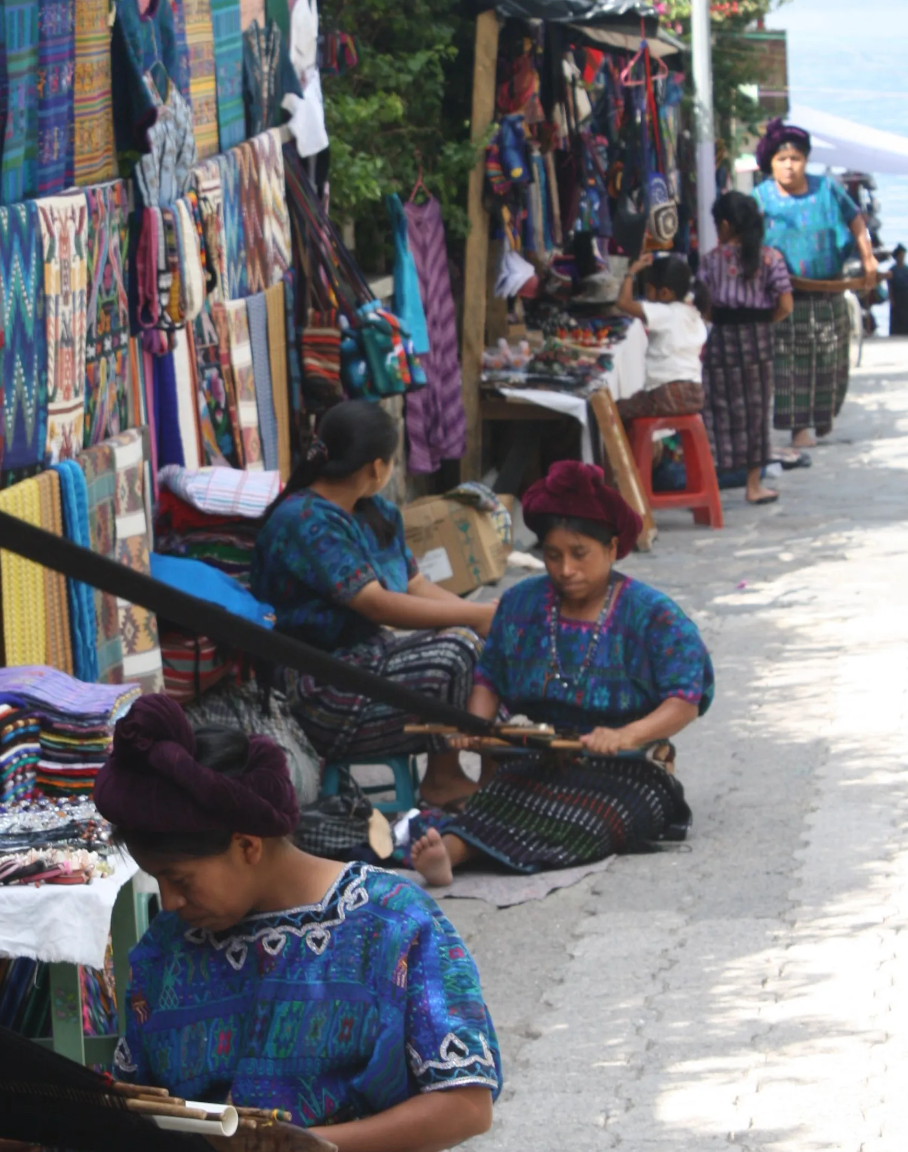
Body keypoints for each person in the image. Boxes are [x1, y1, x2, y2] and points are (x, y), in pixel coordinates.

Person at [26, 696, 504, 1152]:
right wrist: (54, 1125)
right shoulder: (166, 950)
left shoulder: (392, 923)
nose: (172, 903)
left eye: (180, 879)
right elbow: (139, 1100)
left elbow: (466, 1104)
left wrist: (318, 1147)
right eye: (159, 885)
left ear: (248, 844)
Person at [410, 461, 713, 888]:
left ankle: (471, 851)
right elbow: (490, 675)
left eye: (579, 554)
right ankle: (453, 855)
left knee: (592, 816)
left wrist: (627, 736)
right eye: (553, 556)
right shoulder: (520, 603)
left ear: (611, 548)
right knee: (498, 800)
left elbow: (685, 699)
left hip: (628, 766)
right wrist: (478, 728)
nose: (565, 569)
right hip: (540, 756)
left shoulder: (654, 614)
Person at [250, 401, 495, 807]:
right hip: (320, 688)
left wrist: (484, 621)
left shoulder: (376, 511)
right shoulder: (303, 521)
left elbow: (415, 585)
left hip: (371, 661)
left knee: (481, 642)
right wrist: (475, 616)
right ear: (377, 467)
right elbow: (376, 605)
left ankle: (494, 770)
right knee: (457, 651)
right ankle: (444, 778)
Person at [753, 119, 877, 448]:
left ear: (806, 160)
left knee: (830, 361)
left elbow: (855, 219)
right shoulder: (760, 197)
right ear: (771, 164)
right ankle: (799, 431)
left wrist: (868, 258)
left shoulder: (827, 189)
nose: (789, 165)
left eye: (795, 158)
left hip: (828, 291)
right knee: (789, 365)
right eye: (782, 160)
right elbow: (745, 237)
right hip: (785, 297)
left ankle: (822, 419)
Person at [697, 191, 794, 506]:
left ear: (724, 225)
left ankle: (712, 482)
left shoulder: (711, 260)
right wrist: (762, 321)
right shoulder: (771, 258)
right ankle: (753, 485)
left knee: (717, 410)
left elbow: (705, 308)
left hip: (722, 340)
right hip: (759, 340)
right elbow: (785, 305)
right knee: (756, 411)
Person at [614, 252, 708, 423]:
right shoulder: (693, 313)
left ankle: (634, 449)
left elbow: (623, 303)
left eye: (649, 289)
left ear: (664, 293)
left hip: (667, 395)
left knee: (612, 412)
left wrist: (631, 271)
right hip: (695, 394)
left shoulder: (665, 312)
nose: (647, 294)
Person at [887, 243, 908, 337]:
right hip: (896, 296)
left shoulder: (906, 269)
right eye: (901, 255)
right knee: (896, 316)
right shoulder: (892, 270)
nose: (902, 257)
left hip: (906, 296)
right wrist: (891, 299)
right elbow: (890, 286)